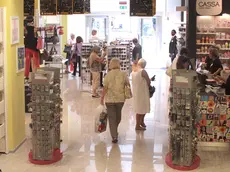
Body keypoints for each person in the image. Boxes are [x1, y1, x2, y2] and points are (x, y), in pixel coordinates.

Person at [100, 58, 130, 143]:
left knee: (116, 118)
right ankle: (114, 136)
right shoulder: (123, 74)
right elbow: (128, 84)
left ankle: (114, 131)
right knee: (115, 117)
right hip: (119, 99)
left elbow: (104, 88)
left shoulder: (108, 75)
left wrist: (102, 98)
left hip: (111, 99)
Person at [132, 59, 150, 130]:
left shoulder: (134, 71)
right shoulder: (143, 71)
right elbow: (148, 82)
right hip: (143, 91)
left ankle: (141, 122)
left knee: (139, 108)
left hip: (136, 91)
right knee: (142, 108)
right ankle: (137, 125)